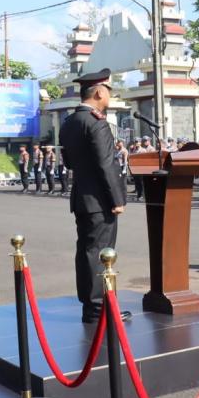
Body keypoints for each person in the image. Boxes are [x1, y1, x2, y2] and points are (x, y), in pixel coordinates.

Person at [59, 69, 130, 324]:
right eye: (109, 90)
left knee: (87, 252)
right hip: (100, 201)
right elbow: (106, 164)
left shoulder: (70, 122)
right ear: (99, 91)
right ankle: (100, 309)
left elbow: (68, 161)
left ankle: (90, 306)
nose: (109, 95)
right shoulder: (96, 122)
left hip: (81, 197)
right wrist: (117, 199)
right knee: (100, 253)